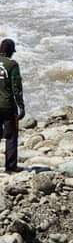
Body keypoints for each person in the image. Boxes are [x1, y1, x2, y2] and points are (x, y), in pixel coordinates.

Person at [0, 39, 24, 173]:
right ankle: (10, 167)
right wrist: (21, 107)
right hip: (8, 106)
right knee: (11, 136)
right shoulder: (12, 65)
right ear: (10, 51)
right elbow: (16, 88)